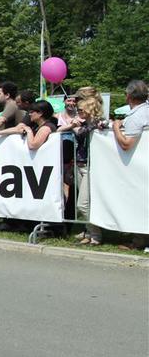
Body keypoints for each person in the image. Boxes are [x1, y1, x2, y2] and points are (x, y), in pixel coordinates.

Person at [58, 95, 106, 245]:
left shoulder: (97, 123)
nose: (78, 111)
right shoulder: (82, 122)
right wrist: (72, 125)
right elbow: (59, 129)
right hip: (78, 165)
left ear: (90, 110)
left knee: (82, 205)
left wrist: (75, 126)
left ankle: (96, 235)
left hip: (90, 166)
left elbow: (82, 132)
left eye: (81, 109)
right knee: (85, 203)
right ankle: (89, 232)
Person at [111, 80, 149, 251]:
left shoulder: (136, 116)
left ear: (128, 96)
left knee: (140, 201)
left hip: (140, 168)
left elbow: (127, 144)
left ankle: (139, 240)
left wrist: (116, 127)